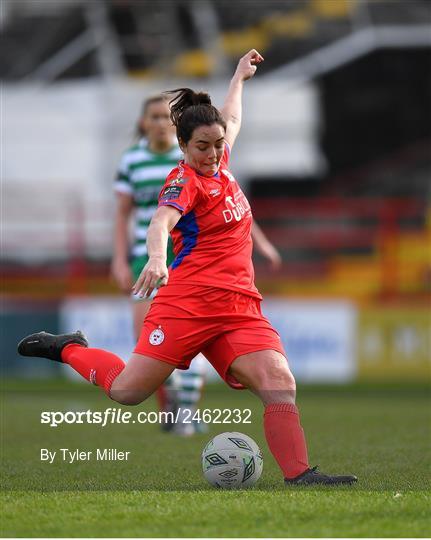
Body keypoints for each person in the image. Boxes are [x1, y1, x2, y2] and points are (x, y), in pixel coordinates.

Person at [18, 49, 357, 485]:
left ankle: (299, 474)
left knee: (278, 380)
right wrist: (157, 258)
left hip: (237, 307)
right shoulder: (184, 181)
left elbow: (231, 119)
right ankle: (67, 347)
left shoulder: (221, 163)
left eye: (218, 145)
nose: (214, 153)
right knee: (128, 392)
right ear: (183, 146)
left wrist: (239, 77)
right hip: (188, 304)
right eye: (203, 146)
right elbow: (161, 221)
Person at [111, 94, 206, 435]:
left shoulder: (189, 159)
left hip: (183, 255)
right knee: (148, 342)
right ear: (143, 123)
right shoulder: (132, 159)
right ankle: (170, 406)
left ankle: (187, 410)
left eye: (166, 117)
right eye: (153, 116)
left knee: (191, 334)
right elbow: (122, 214)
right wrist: (119, 260)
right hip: (142, 256)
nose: (160, 122)